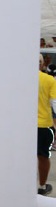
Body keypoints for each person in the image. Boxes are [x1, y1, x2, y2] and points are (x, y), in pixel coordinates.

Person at [38, 55, 56, 196]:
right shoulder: (49, 80)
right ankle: (42, 185)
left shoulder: (18, 79)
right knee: (43, 156)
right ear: (42, 64)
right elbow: (54, 102)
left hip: (22, 125)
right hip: (43, 124)